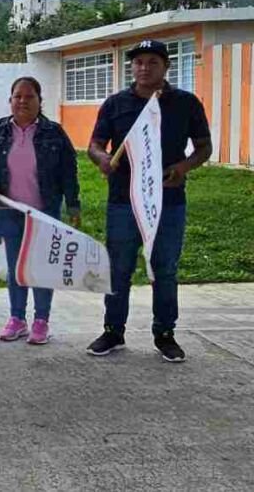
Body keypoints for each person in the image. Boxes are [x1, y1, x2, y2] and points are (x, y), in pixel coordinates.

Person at [85, 39, 211, 362]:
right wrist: (102, 159)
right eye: (138, 62)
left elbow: (203, 147)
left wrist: (183, 167)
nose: (144, 68)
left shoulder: (186, 103)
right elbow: (95, 144)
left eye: (152, 62)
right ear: (132, 67)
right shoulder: (115, 104)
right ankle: (113, 331)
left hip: (168, 203)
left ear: (166, 67)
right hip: (123, 201)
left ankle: (165, 334)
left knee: (165, 270)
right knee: (119, 269)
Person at [0, 77, 80, 346]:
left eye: (29, 96)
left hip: (43, 212)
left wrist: (73, 204)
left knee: (41, 268)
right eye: (17, 96)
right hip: (7, 210)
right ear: (10, 100)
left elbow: (69, 171)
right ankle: (17, 319)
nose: (22, 101)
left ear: (39, 101)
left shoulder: (53, 132)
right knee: (16, 268)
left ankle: (41, 320)